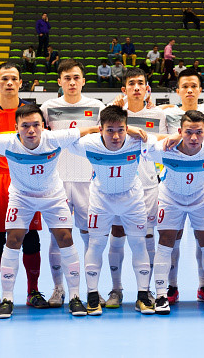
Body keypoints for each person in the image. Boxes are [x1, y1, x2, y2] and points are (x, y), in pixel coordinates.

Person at [0, 104, 98, 317]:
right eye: (25, 126)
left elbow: (87, 131)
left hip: (52, 196)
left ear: (43, 126)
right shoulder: (6, 141)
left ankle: (74, 296)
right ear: (16, 127)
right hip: (21, 197)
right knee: (13, 240)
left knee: (65, 238)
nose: (31, 130)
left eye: (36, 125)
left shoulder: (54, 139)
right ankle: (7, 298)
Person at [68, 105, 156, 315]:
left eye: (121, 130)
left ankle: (143, 296)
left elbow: (163, 139)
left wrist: (135, 131)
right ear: (100, 129)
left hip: (132, 199)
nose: (116, 136)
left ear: (127, 128)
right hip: (101, 200)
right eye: (110, 130)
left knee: (138, 243)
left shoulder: (138, 142)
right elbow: (66, 139)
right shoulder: (89, 144)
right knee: (96, 244)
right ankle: (92, 296)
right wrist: (90, 130)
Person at [0, 62, 47, 310]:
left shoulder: (31, 112)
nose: (8, 83)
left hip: (27, 179)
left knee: (31, 238)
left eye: (13, 79)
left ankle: (33, 292)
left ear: (20, 83)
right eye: (4, 78)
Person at [39, 59, 106, 307]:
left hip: (89, 182)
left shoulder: (97, 108)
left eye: (76, 77)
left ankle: (93, 290)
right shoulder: (47, 108)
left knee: (91, 238)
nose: (72, 82)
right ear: (59, 82)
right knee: (58, 238)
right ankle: (58, 289)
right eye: (67, 78)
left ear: (84, 80)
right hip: (56, 183)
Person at [150, 110, 204, 315]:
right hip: (171, 197)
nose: (194, 137)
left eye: (199, 132)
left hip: (201, 198)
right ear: (179, 131)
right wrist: (169, 138)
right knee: (166, 240)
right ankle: (161, 294)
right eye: (188, 132)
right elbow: (140, 140)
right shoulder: (164, 148)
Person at [104, 68, 167, 309]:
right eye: (132, 84)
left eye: (141, 83)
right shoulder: (113, 114)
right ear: (124, 89)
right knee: (118, 235)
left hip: (149, 186)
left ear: (147, 88)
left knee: (147, 238)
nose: (137, 87)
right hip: (119, 186)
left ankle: (145, 291)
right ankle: (116, 289)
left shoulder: (159, 114)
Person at [160, 68, 204, 304]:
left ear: (200, 89)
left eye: (194, 86)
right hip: (173, 183)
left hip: (203, 182)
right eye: (184, 86)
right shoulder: (166, 114)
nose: (189, 90)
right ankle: (171, 286)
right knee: (172, 237)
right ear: (177, 90)